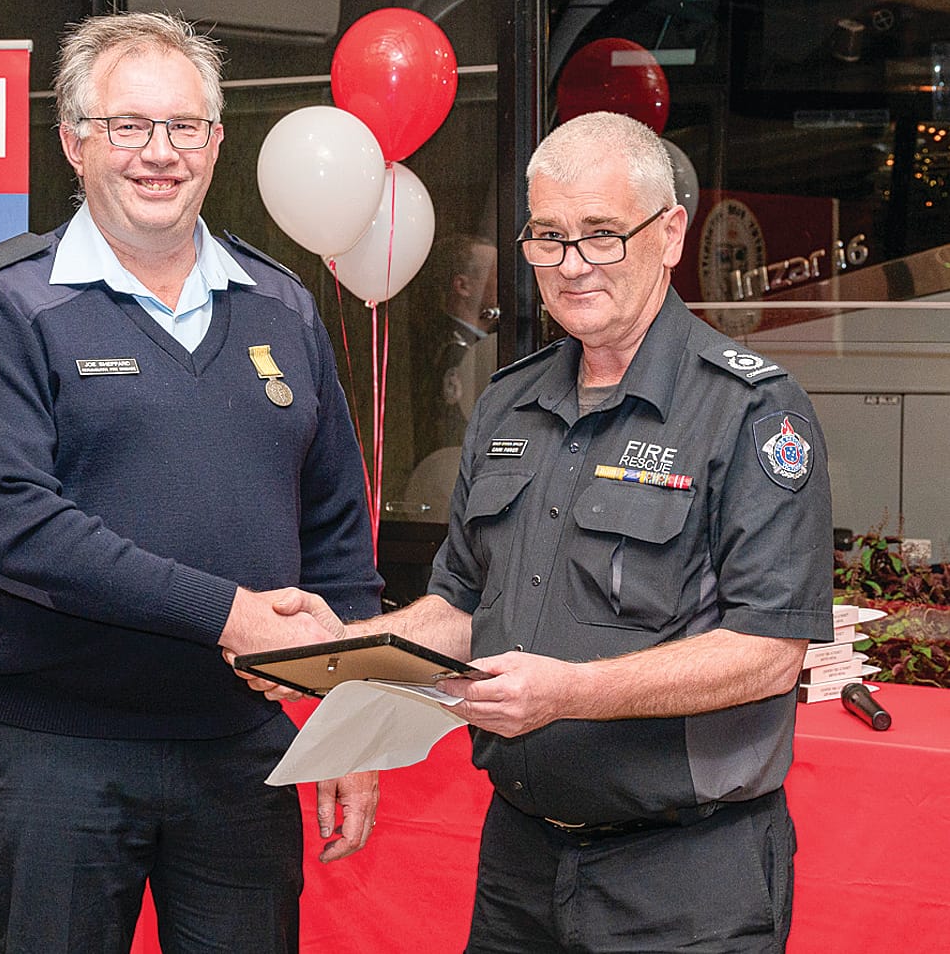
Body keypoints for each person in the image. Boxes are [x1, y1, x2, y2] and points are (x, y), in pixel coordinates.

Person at [245, 112, 834, 952]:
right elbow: (460, 603)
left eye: (601, 236)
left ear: (669, 235)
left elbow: (769, 652)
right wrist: (338, 648)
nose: (571, 266)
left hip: (685, 878)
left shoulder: (751, 411)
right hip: (521, 863)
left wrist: (568, 692)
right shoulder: (511, 403)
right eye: (548, 237)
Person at [0, 11, 381, 953]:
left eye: (184, 128)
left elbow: (338, 534)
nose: (158, 154)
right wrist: (229, 615)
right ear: (74, 145)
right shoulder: (6, 304)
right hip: (60, 757)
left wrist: (353, 724)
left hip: (243, 755)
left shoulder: (283, 306)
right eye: (127, 127)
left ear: (217, 144)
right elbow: (18, 528)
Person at [411, 233, 499, 464]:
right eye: (495, 273)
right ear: (463, 286)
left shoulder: (475, 344)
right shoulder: (455, 351)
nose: (507, 281)